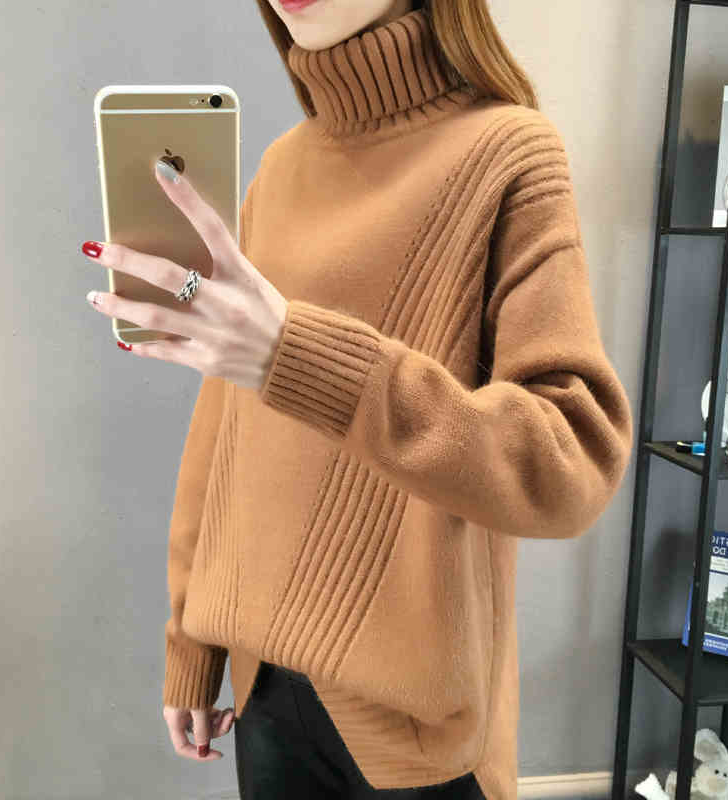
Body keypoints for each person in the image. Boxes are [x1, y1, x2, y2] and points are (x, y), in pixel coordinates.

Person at [82, 1, 634, 797]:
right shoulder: (280, 168)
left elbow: (570, 460)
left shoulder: (509, 151)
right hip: (267, 690)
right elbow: (222, 433)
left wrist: (302, 358)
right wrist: (191, 644)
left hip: (419, 721)